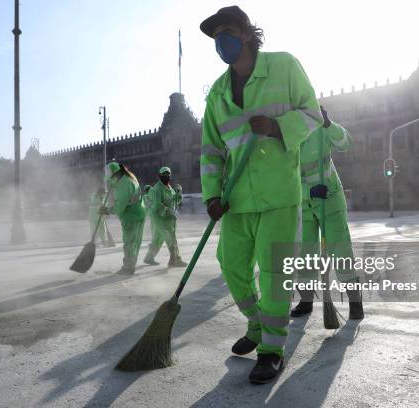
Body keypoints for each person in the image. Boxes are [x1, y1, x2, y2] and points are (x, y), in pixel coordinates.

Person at [199, 6, 323, 384]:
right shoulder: (217, 94)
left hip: (279, 195)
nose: (222, 42)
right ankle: (256, 324)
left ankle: (271, 349)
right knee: (232, 266)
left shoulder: (284, 67)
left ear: (248, 33)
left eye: (228, 32)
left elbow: (313, 114)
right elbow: (211, 153)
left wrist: (276, 126)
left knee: (273, 275)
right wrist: (210, 197)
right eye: (216, 36)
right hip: (236, 199)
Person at [290, 107, 364, 320]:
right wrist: (307, 192)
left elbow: (345, 143)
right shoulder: (286, 136)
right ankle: (305, 302)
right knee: (306, 255)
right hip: (303, 203)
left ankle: (355, 302)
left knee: (340, 250)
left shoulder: (320, 128)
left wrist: (328, 124)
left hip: (330, 198)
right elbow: (285, 177)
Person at [100, 161, 145, 274]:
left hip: (131, 216)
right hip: (139, 212)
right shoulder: (129, 178)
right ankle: (131, 265)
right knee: (134, 243)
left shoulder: (122, 185)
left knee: (129, 243)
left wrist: (107, 210)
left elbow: (120, 208)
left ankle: (128, 267)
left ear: (114, 174)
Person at [143, 167, 187, 267]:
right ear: (159, 176)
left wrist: (179, 193)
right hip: (160, 219)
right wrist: (170, 212)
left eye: (167, 175)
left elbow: (176, 201)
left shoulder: (170, 188)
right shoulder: (157, 189)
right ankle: (175, 260)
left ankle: (149, 257)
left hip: (168, 219)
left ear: (170, 176)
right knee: (171, 239)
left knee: (158, 239)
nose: (165, 177)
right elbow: (158, 206)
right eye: (163, 175)